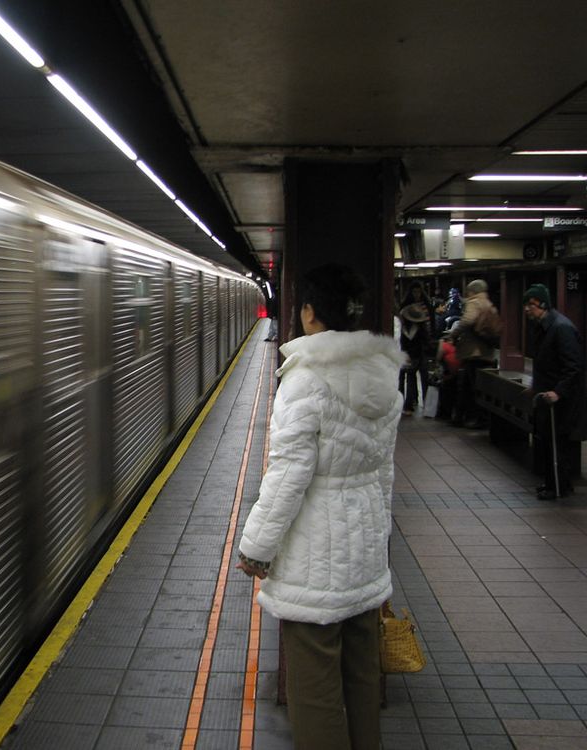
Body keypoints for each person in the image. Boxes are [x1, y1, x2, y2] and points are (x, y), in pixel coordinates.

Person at [236, 262, 404, 750]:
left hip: (316, 560)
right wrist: (378, 537)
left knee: (314, 690)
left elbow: (287, 476)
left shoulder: (306, 380)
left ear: (309, 313)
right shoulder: (383, 376)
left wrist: (256, 549)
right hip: (365, 554)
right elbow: (384, 472)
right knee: (361, 679)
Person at [523, 283, 587, 500]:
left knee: (558, 443)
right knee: (549, 442)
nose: (526, 309)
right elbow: (545, 364)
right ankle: (553, 483)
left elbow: (573, 367)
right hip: (547, 397)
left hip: (562, 401)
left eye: (530, 304)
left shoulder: (561, 328)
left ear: (542, 304)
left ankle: (558, 486)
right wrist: (536, 387)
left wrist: (558, 392)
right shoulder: (544, 327)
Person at [450, 279, 497, 428]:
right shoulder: (489, 304)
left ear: (473, 291)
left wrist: (454, 334)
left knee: (470, 387)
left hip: (473, 352)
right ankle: (468, 417)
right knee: (477, 387)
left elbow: (467, 320)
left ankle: (474, 418)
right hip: (486, 352)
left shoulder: (474, 302)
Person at [397, 281, 433, 415]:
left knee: (411, 376)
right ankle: (425, 404)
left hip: (410, 350)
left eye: (419, 291)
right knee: (421, 376)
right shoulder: (421, 319)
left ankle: (410, 404)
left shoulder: (405, 319)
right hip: (418, 350)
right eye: (415, 292)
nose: (417, 294)